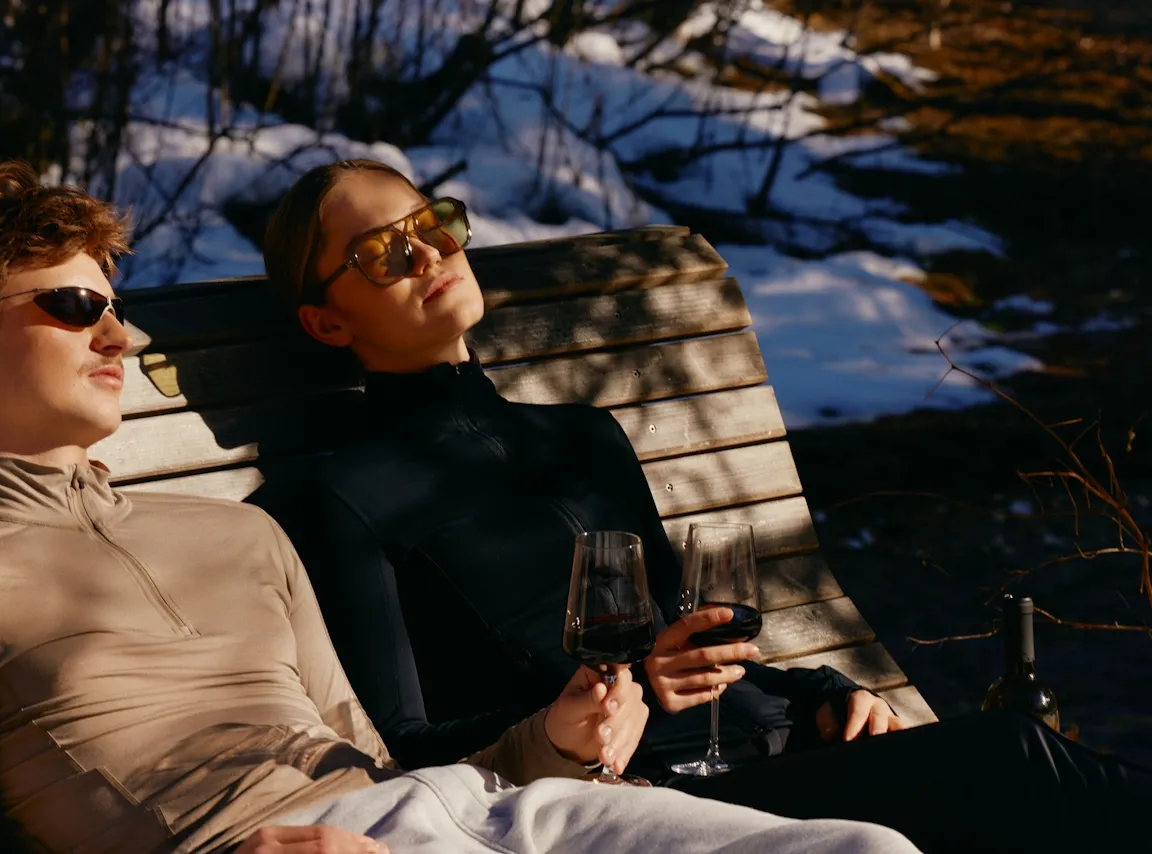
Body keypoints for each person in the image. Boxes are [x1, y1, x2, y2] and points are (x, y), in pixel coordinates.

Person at [0, 162, 922, 854]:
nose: (120, 336)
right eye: (73, 307)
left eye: (116, 306)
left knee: (869, 847)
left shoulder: (238, 531)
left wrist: (546, 739)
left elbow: (379, 756)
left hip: (482, 812)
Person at [257, 157, 1152, 854]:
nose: (433, 254)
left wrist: (827, 687)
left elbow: (694, 647)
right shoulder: (341, 499)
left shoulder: (581, 437)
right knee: (1008, 761)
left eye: (435, 224)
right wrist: (612, 695)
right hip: (636, 805)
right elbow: (408, 746)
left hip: (779, 746)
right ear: (327, 323)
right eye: (385, 253)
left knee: (1014, 778)